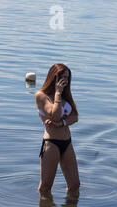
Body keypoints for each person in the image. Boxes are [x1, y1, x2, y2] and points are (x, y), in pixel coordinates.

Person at [35, 63, 80, 198]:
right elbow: (54, 114)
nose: (64, 81)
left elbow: (75, 117)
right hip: (51, 143)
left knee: (74, 184)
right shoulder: (41, 95)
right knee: (46, 186)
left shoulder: (67, 96)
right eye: (61, 77)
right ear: (53, 77)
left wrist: (62, 123)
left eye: (67, 78)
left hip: (67, 142)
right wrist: (58, 93)